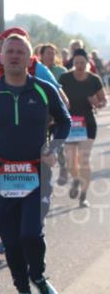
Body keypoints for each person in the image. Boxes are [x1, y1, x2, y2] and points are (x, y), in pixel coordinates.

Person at [0, 33, 71, 294]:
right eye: (9, 52)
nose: (14, 56)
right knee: (10, 239)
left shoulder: (44, 90)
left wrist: (54, 147)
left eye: (20, 52)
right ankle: (23, 292)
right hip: (4, 173)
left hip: (37, 172)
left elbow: (63, 122)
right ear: (2, 58)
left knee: (30, 233)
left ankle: (38, 277)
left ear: (29, 59)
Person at [58, 49, 107, 208]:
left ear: (87, 63)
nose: (79, 66)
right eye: (76, 63)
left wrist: (97, 103)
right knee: (72, 160)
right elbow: (57, 98)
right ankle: (76, 180)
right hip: (70, 123)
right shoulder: (64, 78)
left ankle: (83, 196)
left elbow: (103, 100)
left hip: (87, 123)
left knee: (84, 160)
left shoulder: (94, 80)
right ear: (73, 63)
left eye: (82, 63)